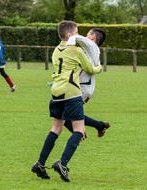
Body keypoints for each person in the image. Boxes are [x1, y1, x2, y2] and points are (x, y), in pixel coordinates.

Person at [31, 21, 102, 182]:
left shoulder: (56, 50)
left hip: (56, 92)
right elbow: (90, 69)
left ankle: (40, 164)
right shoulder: (76, 50)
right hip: (71, 92)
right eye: (77, 32)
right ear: (70, 35)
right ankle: (62, 163)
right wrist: (99, 68)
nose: (79, 35)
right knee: (79, 130)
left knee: (56, 128)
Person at [64, 28, 110, 138]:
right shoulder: (91, 50)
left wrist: (71, 39)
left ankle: (80, 133)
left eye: (87, 34)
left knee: (63, 114)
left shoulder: (91, 46)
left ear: (92, 37)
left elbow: (77, 38)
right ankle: (98, 126)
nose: (85, 37)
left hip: (82, 88)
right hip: (81, 87)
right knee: (67, 113)